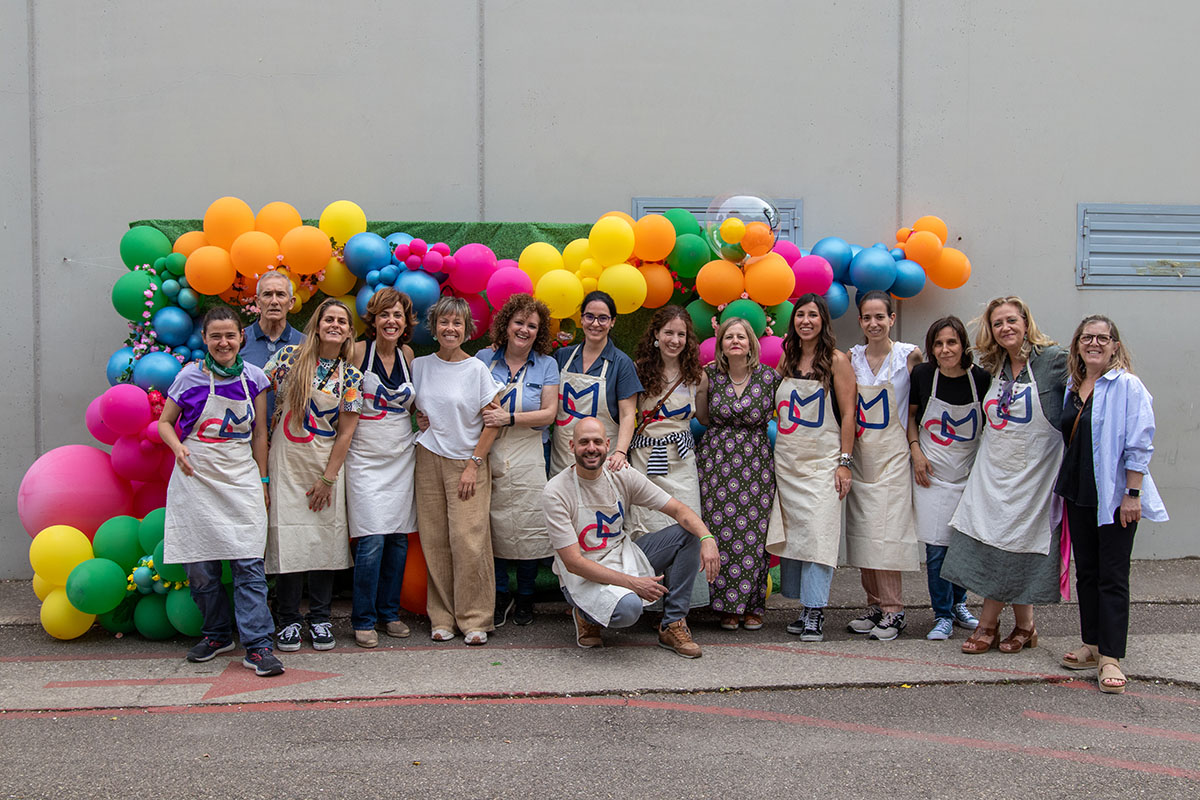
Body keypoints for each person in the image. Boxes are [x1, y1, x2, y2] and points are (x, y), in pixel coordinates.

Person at [159, 306, 283, 677]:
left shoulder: (256, 378)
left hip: (240, 476)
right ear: (206, 340)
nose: (223, 342)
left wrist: (262, 481)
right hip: (195, 477)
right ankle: (216, 633)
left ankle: (258, 645)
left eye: (230, 335)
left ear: (241, 337)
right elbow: (166, 423)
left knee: (248, 563)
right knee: (201, 567)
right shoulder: (188, 378)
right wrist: (177, 446)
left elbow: (260, 433)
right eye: (216, 336)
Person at [943, 296, 1068, 655]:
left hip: (1034, 474)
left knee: (1017, 546)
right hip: (993, 471)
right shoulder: (996, 364)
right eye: (998, 323)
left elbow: (1088, 380)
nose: (1005, 328)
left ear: (1026, 322)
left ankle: (988, 625)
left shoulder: (1054, 361)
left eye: (1011, 320)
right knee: (992, 544)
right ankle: (1025, 627)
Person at [1055, 315, 1167, 693]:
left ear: (1115, 346)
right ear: (1078, 344)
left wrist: (1132, 494)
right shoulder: (1071, 385)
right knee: (1086, 571)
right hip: (1079, 494)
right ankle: (1091, 642)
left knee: (1113, 575)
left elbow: (1141, 441)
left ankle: (1111, 657)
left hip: (1116, 496)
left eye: (1103, 338)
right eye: (1088, 337)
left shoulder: (1127, 387)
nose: (1095, 343)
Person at [546, 417, 720, 657]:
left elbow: (678, 509)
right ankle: (585, 615)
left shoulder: (621, 474)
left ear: (608, 445)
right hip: (582, 574)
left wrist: (707, 538)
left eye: (597, 441)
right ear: (571, 446)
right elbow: (573, 563)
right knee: (629, 609)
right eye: (584, 442)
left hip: (623, 555)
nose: (591, 448)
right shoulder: (556, 491)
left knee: (688, 534)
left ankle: (673, 623)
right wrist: (633, 584)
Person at [263, 298, 362, 653]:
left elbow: (347, 432)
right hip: (286, 462)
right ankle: (287, 617)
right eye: (328, 319)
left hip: (326, 464)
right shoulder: (288, 358)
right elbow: (260, 395)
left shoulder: (352, 377)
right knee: (288, 541)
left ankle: (320, 617)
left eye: (342, 321)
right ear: (317, 325)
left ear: (350, 332)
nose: (335, 325)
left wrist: (329, 478)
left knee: (325, 540)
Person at [413, 296, 504, 645]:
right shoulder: (420, 366)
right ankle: (442, 618)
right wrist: (421, 420)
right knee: (435, 541)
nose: (450, 329)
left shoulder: (477, 370)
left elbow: (493, 422)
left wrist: (474, 465)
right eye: (444, 322)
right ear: (434, 327)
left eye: (457, 323)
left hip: (468, 462)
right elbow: (417, 409)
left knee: (469, 541)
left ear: (467, 330)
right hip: (428, 458)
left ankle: (476, 619)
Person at [766, 294, 856, 642]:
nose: (806, 320)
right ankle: (804, 607)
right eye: (800, 314)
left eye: (813, 315)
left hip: (822, 463)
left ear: (823, 321)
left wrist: (844, 463)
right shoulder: (786, 359)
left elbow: (848, 413)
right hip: (788, 463)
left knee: (820, 535)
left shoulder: (837, 360)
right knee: (798, 537)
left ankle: (816, 611)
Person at [477, 293, 560, 627]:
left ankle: (526, 596)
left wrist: (506, 418)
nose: (524, 329)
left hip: (530, 454)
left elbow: (550, 413)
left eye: (532, 325)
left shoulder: (547, 364)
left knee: (528, 525)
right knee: (492, 525)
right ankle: (499, 595)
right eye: (519, 322)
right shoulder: (484, 359)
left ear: (538, 333)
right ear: (506, 324)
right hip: (489, 450)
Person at [844, 290, 923, 641]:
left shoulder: (910, 356)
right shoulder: (852, 358)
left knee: (887, 533)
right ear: (860, 321)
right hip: (861, 456)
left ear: (892, 319)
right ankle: (874, 604)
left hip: (893, 455)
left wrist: (918, 448)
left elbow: (921, 405)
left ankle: (894, 610)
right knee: (863, 532)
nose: (873, 323)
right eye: (867, 317)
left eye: (880, 317)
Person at [906, 316, 990, 640]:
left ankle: (959, 604)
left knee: (962, 546)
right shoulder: (923, 375)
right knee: (936, 550)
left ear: (963, 345)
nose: (944, 349)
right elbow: (912, 417)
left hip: (967, 476)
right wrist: (916, 452)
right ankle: (941, 614)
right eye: (938, 344)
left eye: (951, 342)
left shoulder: (980, 379)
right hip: (931, 475)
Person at [696, 316, 781, 631]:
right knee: (719, 533)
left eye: (741, 337)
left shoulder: (770, 378)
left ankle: (752, 606)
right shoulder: (709, 376)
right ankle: (725, 608)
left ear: (751, 344)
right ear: (720, 344)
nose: (735, 341)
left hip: (755, 465)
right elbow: (703, 417)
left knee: (754, 536)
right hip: (717, 462)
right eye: (729, 336)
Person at [345, 288, 417, 648]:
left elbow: (416, 409)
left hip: (402, 457)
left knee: (398, 540)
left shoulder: (408, 354)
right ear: (372, 319)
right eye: (385, 314)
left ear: (405, 323)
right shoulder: (357, 352)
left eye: (398, 315)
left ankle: (389, 613)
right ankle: (363, 618)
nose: (391, 321)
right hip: (364, 457)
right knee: (371, 540)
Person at [628, 305, 709, 608]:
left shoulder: (697, 377)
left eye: (681, 334)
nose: (674, 340)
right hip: (645, 460)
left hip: (682, 462)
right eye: (669, 333)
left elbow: (704, 416)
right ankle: (648, 602)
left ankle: (679, 606)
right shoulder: (637, 370)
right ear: (656, 335)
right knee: (649, 525)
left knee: (687, 527)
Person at [551, 290, 642, 476]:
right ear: (582, 319)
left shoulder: (621, 363)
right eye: (590, 317)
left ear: (612, 322)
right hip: (562, 459)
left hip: (604, 462)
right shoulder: (562, 357)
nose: (595, 324)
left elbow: (627, 414)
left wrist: (620, 452)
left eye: (603, 318)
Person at [240, 269, 305, 421]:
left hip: (289, 437)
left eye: (280, 295)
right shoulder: (238, 341)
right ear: (257, 301)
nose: (274, 301)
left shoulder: (306, 344)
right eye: (267, 294)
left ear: (291, 303)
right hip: (244, 436)